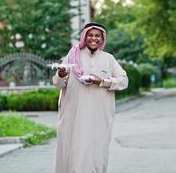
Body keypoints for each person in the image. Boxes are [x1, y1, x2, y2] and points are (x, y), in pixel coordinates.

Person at [53, 22, 128, 173]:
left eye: (97, 36)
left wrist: (102, 81)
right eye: (90, 35)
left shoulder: (108, 59)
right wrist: (61, 75)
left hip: (98, 117)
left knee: (96, 153)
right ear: (84, 37)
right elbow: (58, 83)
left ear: (102, 39)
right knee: (73, 152)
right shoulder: (73, 56)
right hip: (74, 115)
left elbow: (124, 81)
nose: (94, 39)